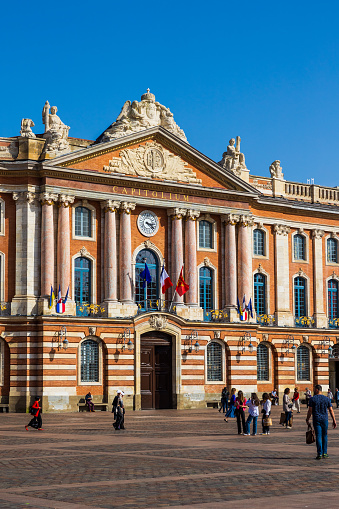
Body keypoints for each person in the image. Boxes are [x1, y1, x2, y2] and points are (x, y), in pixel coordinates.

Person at [306, 384, 337, 459]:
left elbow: (310, 410)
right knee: (325, 436)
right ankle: (325, 453)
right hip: (324, 419)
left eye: (314, 389)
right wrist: (334, 420)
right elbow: (331, 410)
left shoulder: (312, 399)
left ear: (317, 390)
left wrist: (307, 419)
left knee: (318, 436)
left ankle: (319, 453)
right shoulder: (326, 399)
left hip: (316, 419)